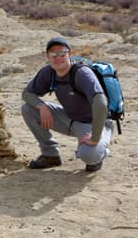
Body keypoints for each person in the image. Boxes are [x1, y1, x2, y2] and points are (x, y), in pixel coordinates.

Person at [21, 37, 113, 171]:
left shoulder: (82, 73)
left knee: (89, 155)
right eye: (53, 54)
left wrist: (95, 137)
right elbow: (27, 94)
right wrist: (41, 106)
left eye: (62, 53)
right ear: (48, 56)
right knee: (28, 109)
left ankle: (100, 154)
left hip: (93, 123)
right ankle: (50, 155)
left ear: (69, 54)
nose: (58, 57)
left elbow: (101, 103)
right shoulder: (49, 72)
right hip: (69, 118)